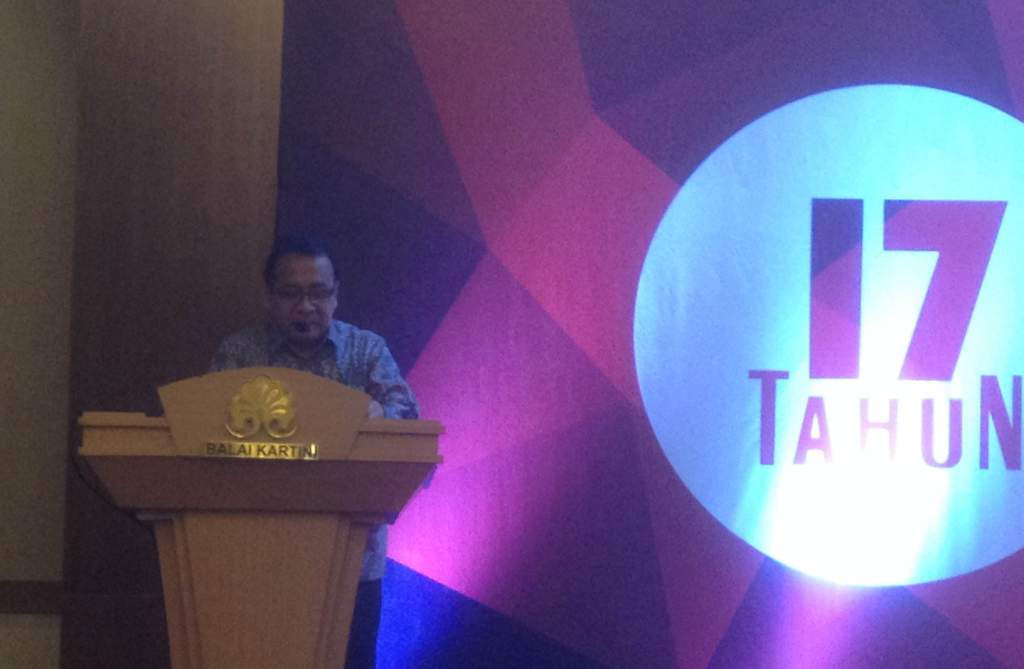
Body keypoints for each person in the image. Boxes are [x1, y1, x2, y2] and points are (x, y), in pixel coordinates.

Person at [211, 232, 418, 668]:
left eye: (318, 293)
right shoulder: (240, 354)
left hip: (353, 559)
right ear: (269, 298)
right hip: (259, 558)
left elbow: (409, 422)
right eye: (291, 294)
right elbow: (206, 429)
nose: (306, 307)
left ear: (336, 296)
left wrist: (381, 415)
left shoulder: (366, 350)